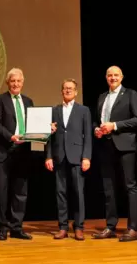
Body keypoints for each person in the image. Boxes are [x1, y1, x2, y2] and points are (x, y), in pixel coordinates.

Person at [92, 66, 137, 242]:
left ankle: (133, 228)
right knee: (108, 188)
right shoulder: (101, 97)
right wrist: (97, 129)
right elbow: (97, 120)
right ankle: (110, 226)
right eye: (109, 75)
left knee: (130, 186)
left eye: (116, 75)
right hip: (105, 146)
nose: (113, 78)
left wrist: (114, 125)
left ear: (122, 77)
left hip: (125, 146)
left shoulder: (130, 94)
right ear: (106, 78)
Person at [0, 68, 34, 241]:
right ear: (8, 82)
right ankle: (2, 227)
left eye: (18, 81)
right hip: (3, 151)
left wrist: (46, 129)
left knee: (20, 192)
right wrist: (10, 136)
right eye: (12, 81)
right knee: (2, 192)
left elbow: (33, 124)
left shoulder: (29, 101)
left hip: (23, 152)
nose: (16, 84)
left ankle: (17, 227)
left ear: (23, 82)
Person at [45, 78, 92, 241]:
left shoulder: (83, 110)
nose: (67, 91)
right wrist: (49, 156)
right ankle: (63, 227)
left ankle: (79, 227)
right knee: (61, 193)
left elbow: (88, 136)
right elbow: (49, 137)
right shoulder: (54, 110)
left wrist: (86, 156)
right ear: (61, 91)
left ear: (76, 92)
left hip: (77, 156)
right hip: (59, 157)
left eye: (70, 88)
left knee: (78, 193)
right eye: (65, 88)